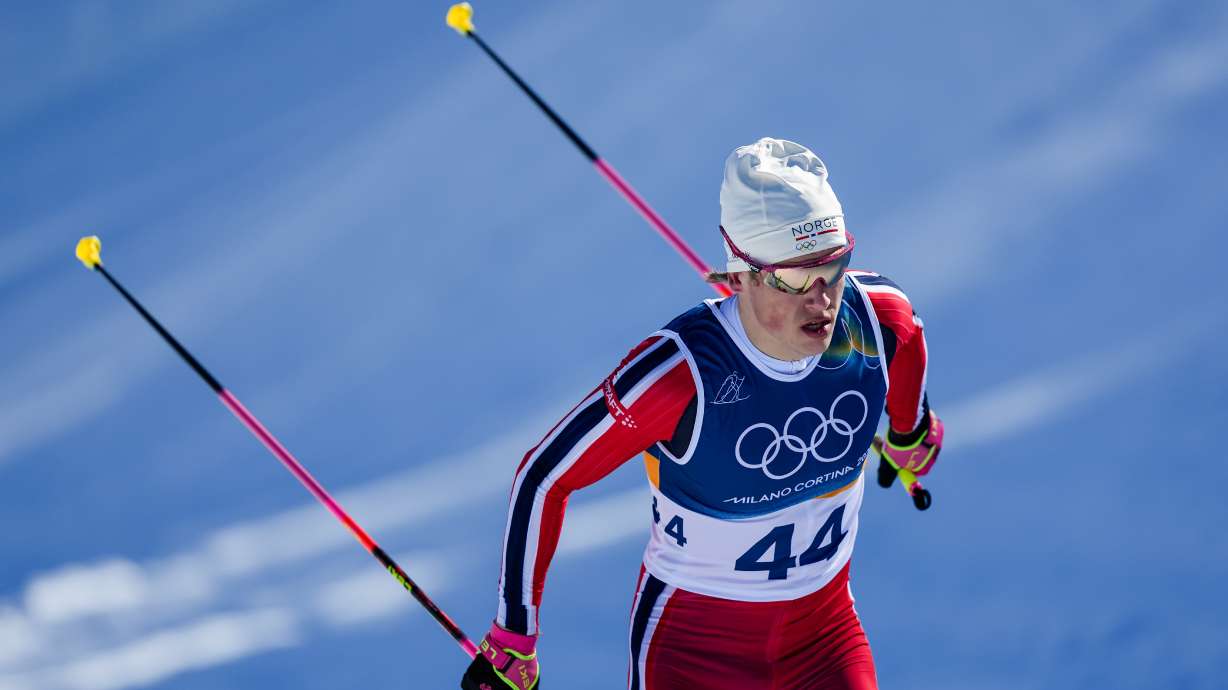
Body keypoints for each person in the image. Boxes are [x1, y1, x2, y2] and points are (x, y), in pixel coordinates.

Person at [461, 137, 944, 690]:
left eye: (834, 266)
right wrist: (513, 634)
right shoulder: (680, 375)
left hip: (824, 642)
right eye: (794, 278)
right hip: (692, 655)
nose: (822, 299)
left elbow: (909, 346)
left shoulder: (877, 320)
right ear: (741, 276)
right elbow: (544, 476)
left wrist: (910, 432)